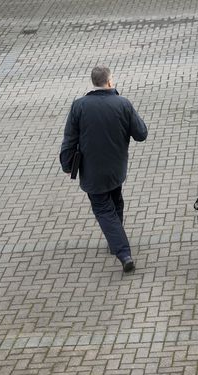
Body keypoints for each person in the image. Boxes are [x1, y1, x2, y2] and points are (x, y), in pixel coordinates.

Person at [60, 65, 148, 272]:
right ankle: (114, 241)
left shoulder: (79, 106)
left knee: (103, 209)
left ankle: (123, 252)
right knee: (115, 200)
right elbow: (141, 134)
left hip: (92, 171)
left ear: (93, 82)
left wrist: (66, 164)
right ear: (109, 82)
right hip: (117, 168)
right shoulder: (122, 103)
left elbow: (69, 139)